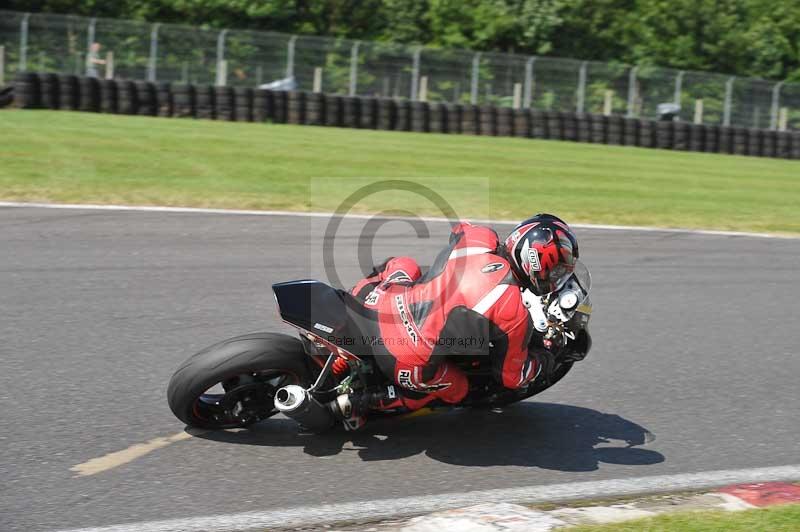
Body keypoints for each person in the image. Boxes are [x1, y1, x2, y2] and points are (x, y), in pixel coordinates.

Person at [337, 213, 588, 427]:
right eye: (555, 271)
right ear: (535, 262)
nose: (555, 278)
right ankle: (371, 400)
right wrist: (546, 356)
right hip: (404, 358)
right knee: (459, 389)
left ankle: (348, 311)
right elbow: (513, 377)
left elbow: (460, 228)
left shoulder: (480, 237)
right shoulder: (513, 312)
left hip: (381, 302)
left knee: (405, 265)